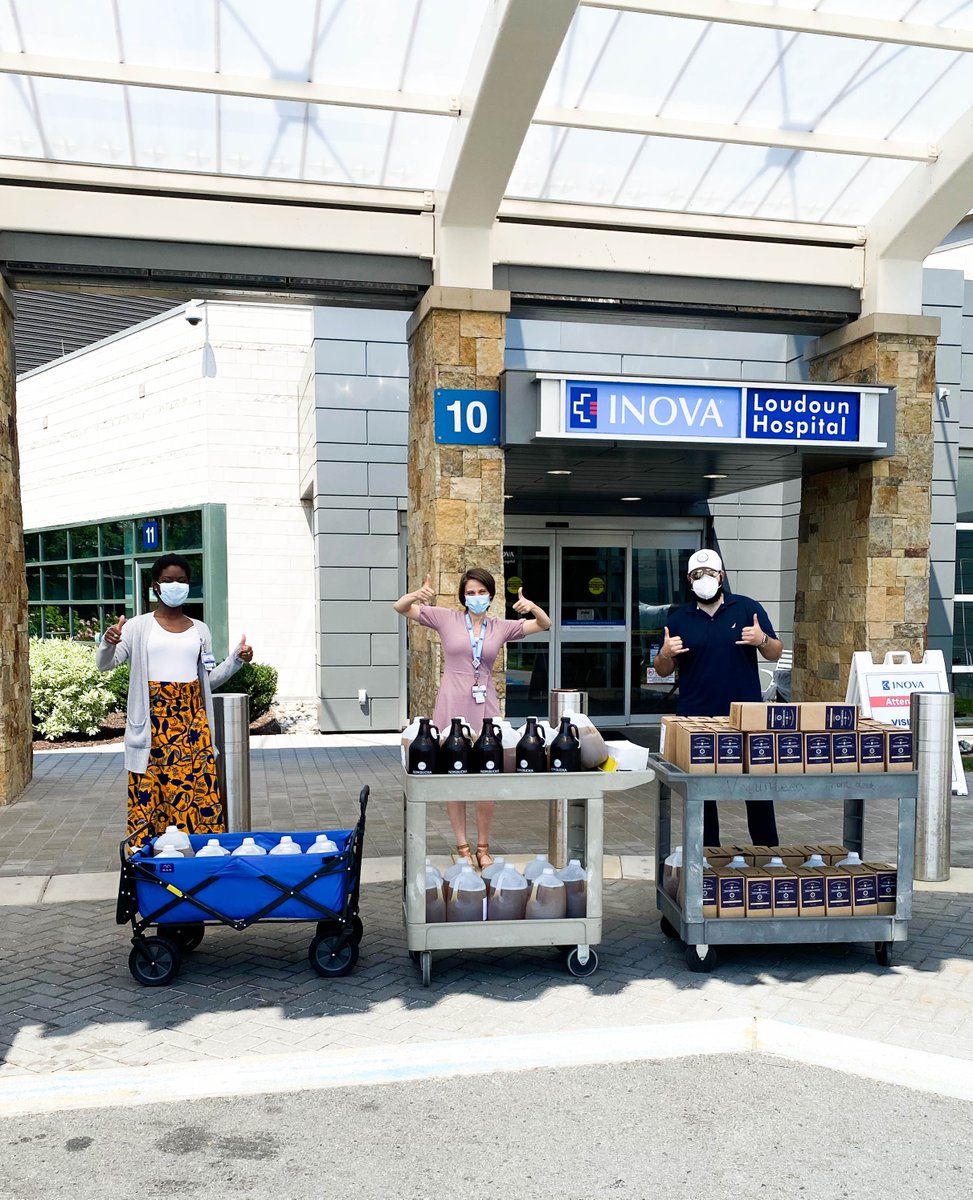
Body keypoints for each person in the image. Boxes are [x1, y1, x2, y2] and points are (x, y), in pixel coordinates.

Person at [394, 567, 552, 869]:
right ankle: (463, 847)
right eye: (471, 592)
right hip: (451, 703)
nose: (476, 597)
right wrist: (416, 595)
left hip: (485, 705)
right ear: (463, 596)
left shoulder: (500, 626)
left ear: (491, 595)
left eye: (482, 592)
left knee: (486, 774)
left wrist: (531, 607)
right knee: (455, 774)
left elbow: (544, 624)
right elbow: (400, 608)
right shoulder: (446, 618)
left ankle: (483, 846)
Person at [96, 552, 253, 838]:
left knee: (198, 800)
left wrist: (236, 659)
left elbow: (208, 681)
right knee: (149, 803)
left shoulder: (200, 630)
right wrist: (108, 643)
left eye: (181, 580)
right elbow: (105, 664)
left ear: (188, 585)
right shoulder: (137, 626)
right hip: (151, 731)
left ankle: (199, 869)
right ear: (155, 585)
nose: (174, 585)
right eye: (167, 580)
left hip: (193, 729)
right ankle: (149, 873)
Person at [653, 548, 783, 846]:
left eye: (710, 573)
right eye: (697, 574)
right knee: (702, 794)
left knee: (756, 789)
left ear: (721, 575)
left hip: (745, 719)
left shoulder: (747, 609)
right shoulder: (678, 619)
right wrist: (665, 653)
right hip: (696, 718)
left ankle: (766, 856)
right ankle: (708, 858)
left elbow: (775, 651)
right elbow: (662, 670)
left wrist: (761, 639)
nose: (704, 579)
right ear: (689, 579)